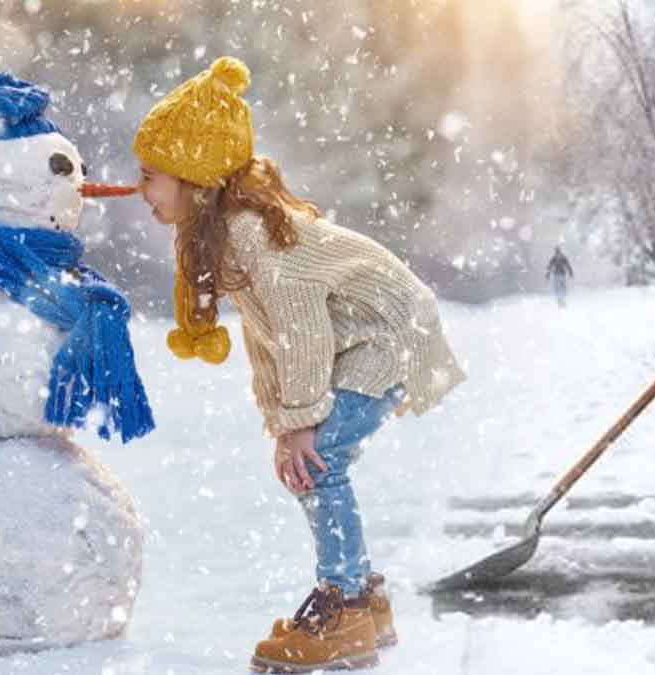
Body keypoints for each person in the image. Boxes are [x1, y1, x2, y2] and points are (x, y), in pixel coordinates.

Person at [131, 57, 466, 672]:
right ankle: (363, 601)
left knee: (318, 462)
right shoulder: (225, 236)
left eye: (151, 176)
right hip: (361, 340)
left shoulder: (250, 234)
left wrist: (302, 422)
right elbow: (270, 340)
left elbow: (303, 328)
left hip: (386, 336)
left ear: (194, 177)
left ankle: (342, 607)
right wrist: (283, 419)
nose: (140, 189)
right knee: (311, 459)